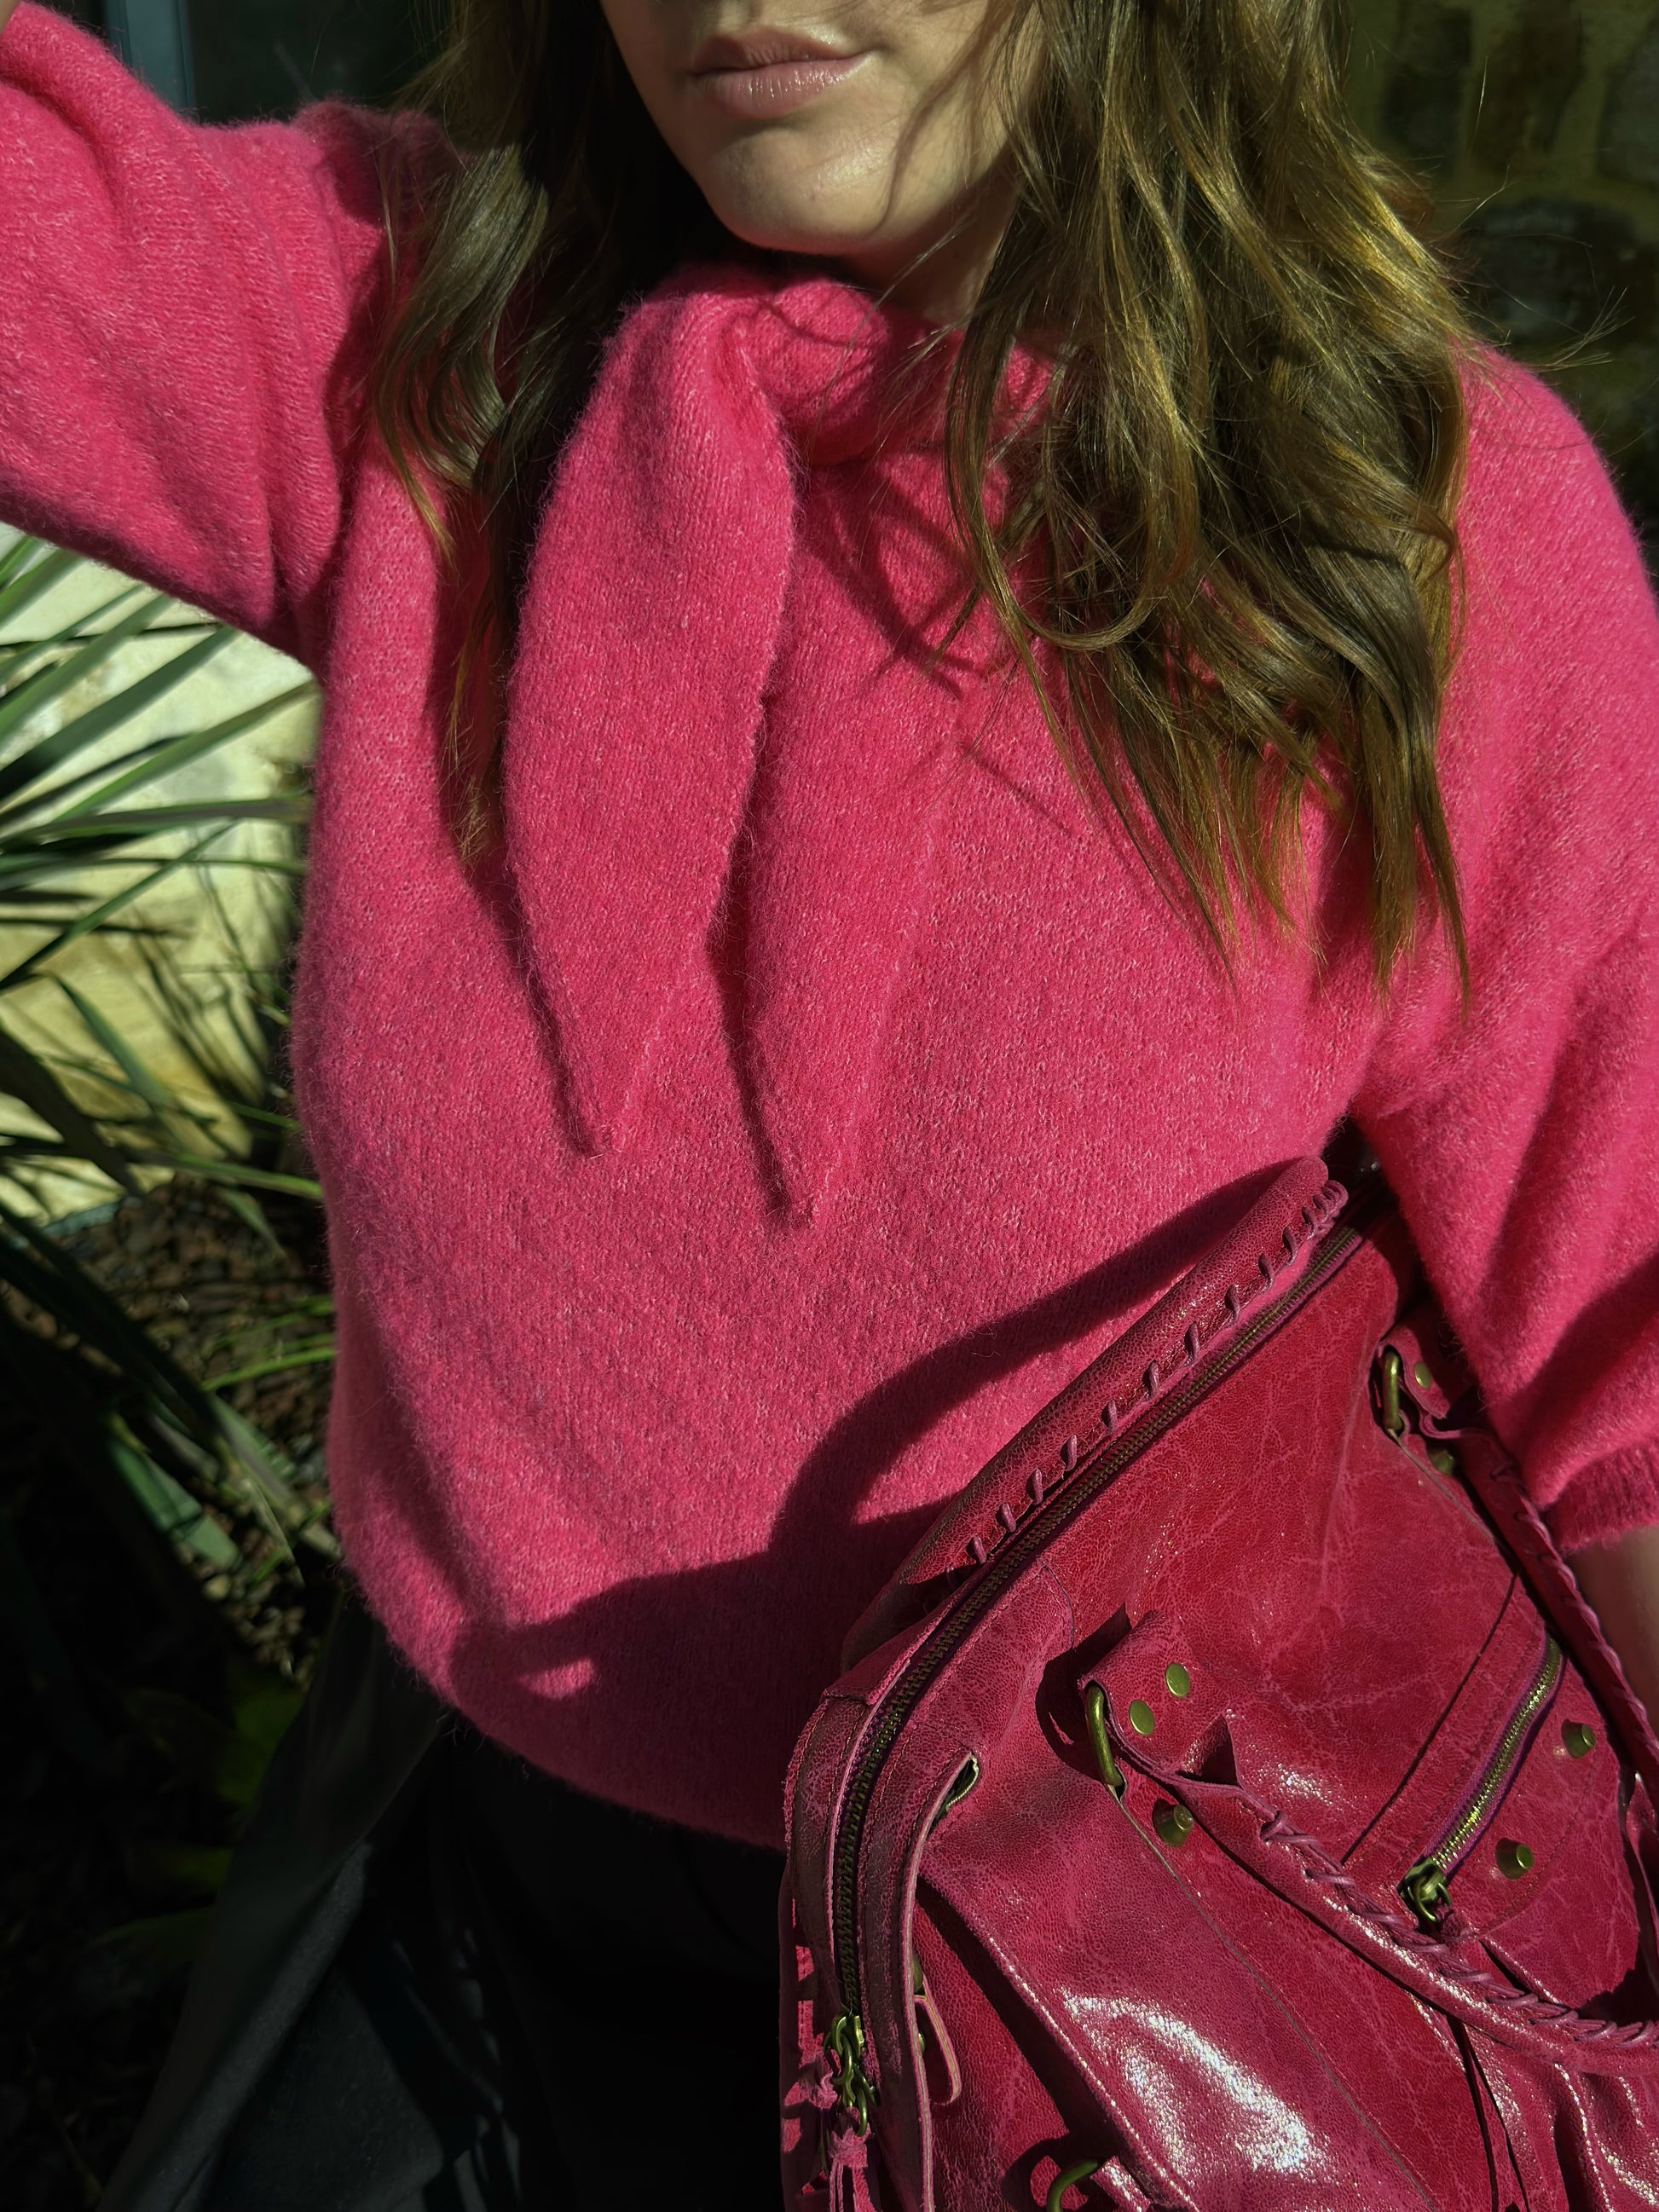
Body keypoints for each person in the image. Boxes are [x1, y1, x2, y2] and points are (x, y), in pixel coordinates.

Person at [3, 0, 1657, 2205]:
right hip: (489, 1895)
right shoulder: (439, 376)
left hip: (1118, 2002)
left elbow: (1624, 1349)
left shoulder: (1412, 528)